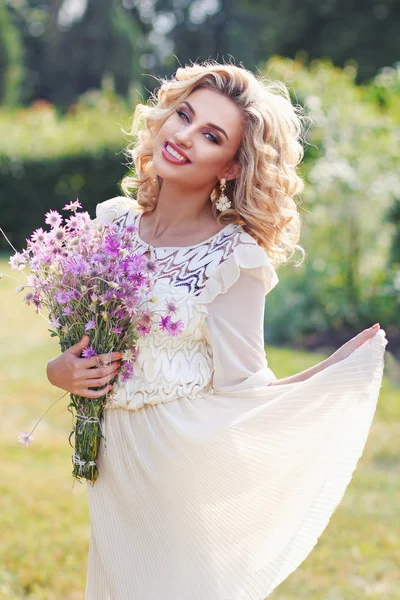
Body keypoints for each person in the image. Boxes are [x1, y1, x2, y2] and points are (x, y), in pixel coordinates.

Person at [46, 61, 387, 599]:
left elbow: (242, 388)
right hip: (115, 472)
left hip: (178, 471)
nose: (183, 136)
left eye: (211, 135)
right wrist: (60, 371)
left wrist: (331, 375)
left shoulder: (234, 258)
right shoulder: (111, 223)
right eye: (183, 115)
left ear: (231, 167)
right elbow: (82, 342)